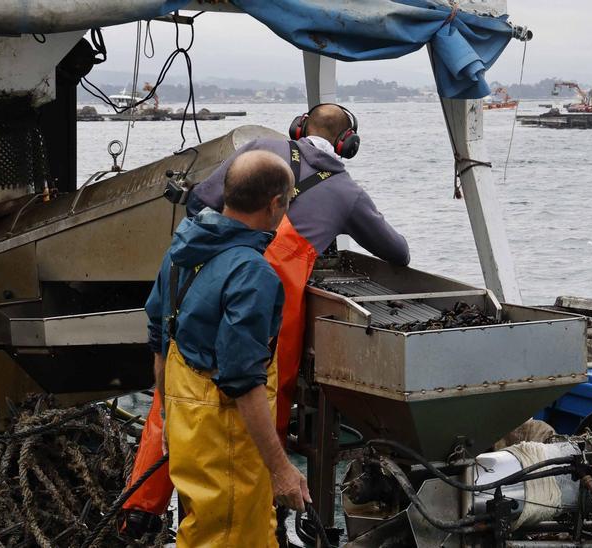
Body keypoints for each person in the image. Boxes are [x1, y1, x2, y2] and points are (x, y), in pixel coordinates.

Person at [123, 103, 411, 536]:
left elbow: (201, 200)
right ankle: (269, 508)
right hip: (272, 298)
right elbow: (398, 253)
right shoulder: (346, 192)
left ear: (298, 127)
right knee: (261, 404)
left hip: (205, 281)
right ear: (346, 144)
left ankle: (141, 513)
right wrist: (281, 469)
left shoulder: (257, 151)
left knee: (178, 402)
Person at [144, 150, 309, 546]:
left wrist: (168, 414)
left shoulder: (181, 251)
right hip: (227, 440)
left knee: (200, 532)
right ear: (275, 205)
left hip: (187, 424)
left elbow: (161, 340)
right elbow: (243, 380)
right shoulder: (252, 272)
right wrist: (281, 469)